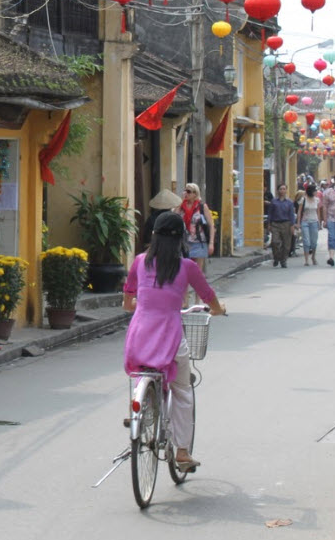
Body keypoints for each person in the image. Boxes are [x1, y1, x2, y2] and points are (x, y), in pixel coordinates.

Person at [123, 213, 226, 472]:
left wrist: (145, 303)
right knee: (182, 391)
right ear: (181, 237)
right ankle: (181, 451)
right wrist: (218, 309)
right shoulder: (187, 267)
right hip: (170, 336)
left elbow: (127, 303)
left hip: (140, 335)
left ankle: (141, 405)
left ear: (154, 236)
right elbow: (209, 297)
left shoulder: (139, 262)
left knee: (143, 369)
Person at [179, 183, 215, 274]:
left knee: (197, 272)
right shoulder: (181, 206)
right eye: (185, 191)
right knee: (184, 272)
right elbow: (173, 216)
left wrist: (211, 243)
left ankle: (196, 288)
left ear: (195, 194)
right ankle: (185, 288)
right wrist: (180, 202)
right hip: (184, 243)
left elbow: (211, 225)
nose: (186, 193)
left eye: (189, 191)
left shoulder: (202, 207)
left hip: (199, 242)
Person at [265, 185, 296, 268]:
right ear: (278, 190)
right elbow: (270, 213)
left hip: (286, 224)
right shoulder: (274, 201)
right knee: (275, 242)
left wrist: (292, 225)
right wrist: (269, 224)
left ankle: (283, 260)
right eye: (280, 189)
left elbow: (291, 215)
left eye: (284, 189)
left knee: (286, 244)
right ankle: (276, 257)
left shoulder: (289, 202)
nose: (282, 191)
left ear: (286, 191)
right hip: (275, 224)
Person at [297, 183, 323, 265]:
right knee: (306, 241)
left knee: (314, 242)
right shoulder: (303, 199)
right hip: (305, 222)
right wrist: (298, 222)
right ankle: (306, 260)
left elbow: (318, 211)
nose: (316, 192)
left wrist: (319, 222)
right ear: (311, 191)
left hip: (314, 222)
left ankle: (313, 257)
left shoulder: (317, 200)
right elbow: (299, 211)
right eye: (315, 190)